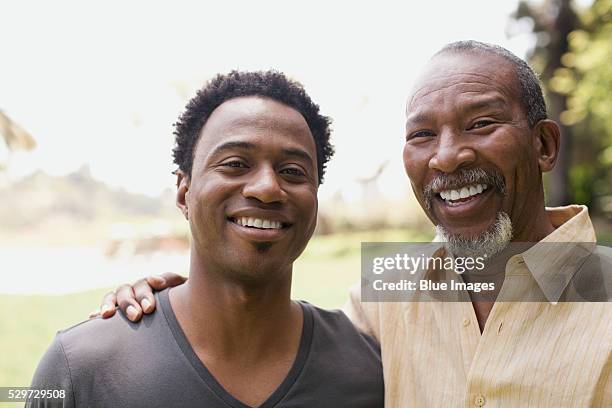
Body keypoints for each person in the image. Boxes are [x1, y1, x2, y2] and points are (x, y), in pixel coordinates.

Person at [97, 41, 612, 407]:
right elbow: (271, 328)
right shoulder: (389, 291)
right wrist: (174, 304)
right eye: (423, 134)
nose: (448, 157)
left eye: (481, 123)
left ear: (543, 145)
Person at [29, 71, 384, 408]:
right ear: (184, 193)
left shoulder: (368, 369)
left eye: (292, 171)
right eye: (235, 163)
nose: (266, 188)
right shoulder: (83, 367)